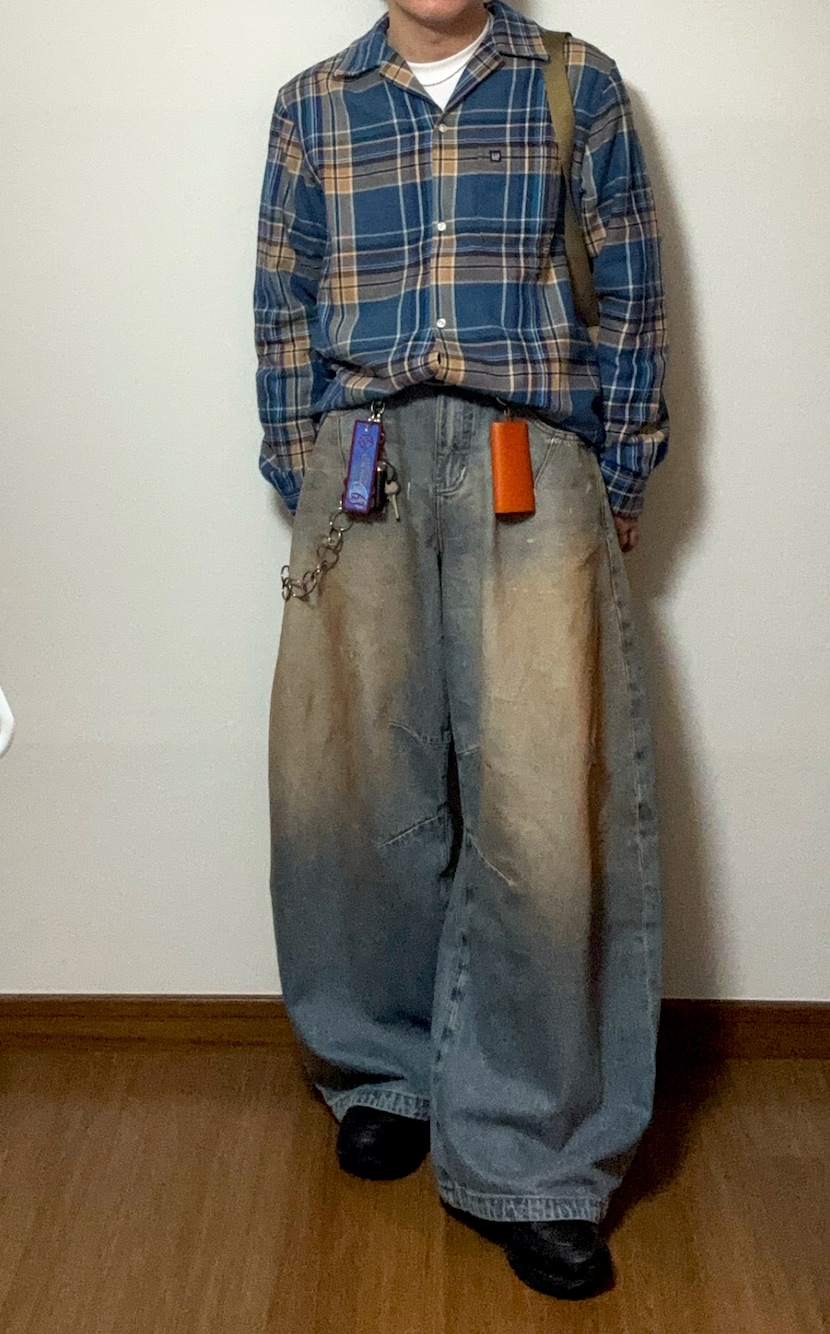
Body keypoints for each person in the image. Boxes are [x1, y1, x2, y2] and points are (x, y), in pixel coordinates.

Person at [254, 0, 668, 1301]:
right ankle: (385, 1070)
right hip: (363, 457)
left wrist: (619, 474)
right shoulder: (313, 106)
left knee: (544, 808)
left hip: (526, 458)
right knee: (353, 782)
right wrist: (309, 471)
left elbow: (633, 298)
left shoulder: (578, 86)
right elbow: (282, 307)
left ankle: (536, 1150)